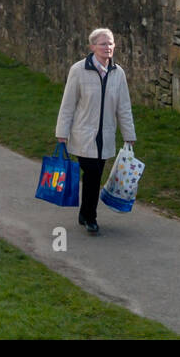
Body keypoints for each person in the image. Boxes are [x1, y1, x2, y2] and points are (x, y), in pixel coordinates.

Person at [54, 27, 136, 235]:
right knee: (91, 173)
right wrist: (61, 133)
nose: (107, 47)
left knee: (95, 176)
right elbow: (68, 104)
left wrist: (129, 136)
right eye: (102, 44)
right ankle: (91, 218)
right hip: (83, 135)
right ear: (92, 47)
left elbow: (124, 107)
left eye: (110, 43)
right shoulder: (78, 70)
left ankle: (84, 212)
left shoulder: (118, 73)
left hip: (105, 135)